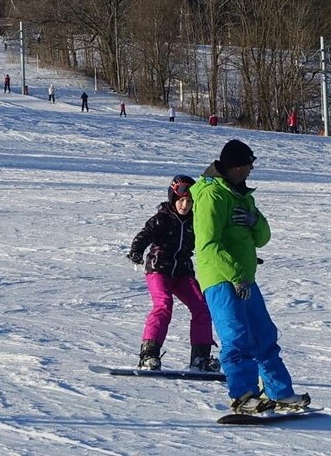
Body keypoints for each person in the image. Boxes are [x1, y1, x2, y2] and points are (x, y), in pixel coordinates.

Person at [192, 139, 308, 415]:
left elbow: (263, 239)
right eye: (248, 166)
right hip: (221, 279)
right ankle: (243, 396)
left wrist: (255, 221)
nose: (251, 171)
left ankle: (279, 393)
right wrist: (234, 275)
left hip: (245, 278)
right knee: (237, 337)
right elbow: (207, 244)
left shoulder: (242, 195)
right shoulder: (212, 195)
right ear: (237, 166)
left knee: (264, 334)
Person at [127, 174, 215, 373]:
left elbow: (211, 241)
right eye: (181, 200)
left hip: (183, 272)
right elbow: (145, 234)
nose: (185, 205)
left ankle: (200, 358)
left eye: (190, 201)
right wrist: (136, 251)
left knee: (201, 307)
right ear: (173, 199)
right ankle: (149, 354)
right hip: (159, 269)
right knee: (163, 305)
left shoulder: (196, 221)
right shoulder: (162, 219)